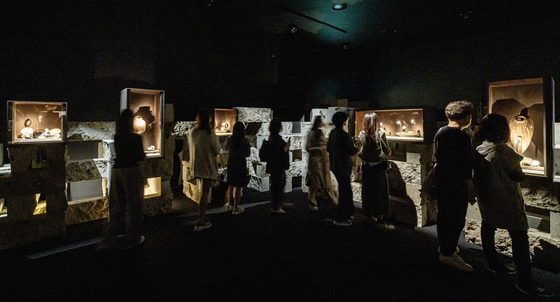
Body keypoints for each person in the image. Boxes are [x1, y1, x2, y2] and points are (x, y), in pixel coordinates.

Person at [472, 114, 553, 298]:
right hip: (506, 198)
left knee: (488, 226)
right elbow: (518, 175)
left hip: (486, 197)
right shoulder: (504, 151)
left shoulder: (478, 147)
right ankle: (525, 281)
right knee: (519, 236)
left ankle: (492, 263)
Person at [434, 100, 474, 272]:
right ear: (466, 117)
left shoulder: (440, 132)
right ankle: (448, 253)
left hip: (442, 180)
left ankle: (445, 246)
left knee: (444, 214)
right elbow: (466, 166)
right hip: (456, 183)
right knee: (456, 217)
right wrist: (470, 187)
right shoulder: (462, 136)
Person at [98, 109, 146, 250]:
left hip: (117, 171)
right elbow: (140, 156)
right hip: (132, 171)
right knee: (135, 206)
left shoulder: (117, 136)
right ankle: (132, 239)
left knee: (117, 207)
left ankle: (109, 238)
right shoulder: (136, 138)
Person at [358, 112, 394, 230]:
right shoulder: (381, 133)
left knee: (367, 191)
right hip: (378, 168)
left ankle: (368, 216)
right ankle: (380, 221)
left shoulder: (361, 134)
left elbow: (360, 151)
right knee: (380, 193)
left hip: (366, 167)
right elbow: (387, 150)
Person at [189, 108, 222, 231]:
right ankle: (201, 220)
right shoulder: (210, 133)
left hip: (197, 166)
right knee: (204, 193)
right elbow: (217, 150)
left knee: (202, 192)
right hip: (207, 167)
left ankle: (199, 217)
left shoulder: (193, 132)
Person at [327, 112, 359, 226]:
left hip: (335, 166)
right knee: (345, 192)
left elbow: (328, 148)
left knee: (344, 191)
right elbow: (352, 151)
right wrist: (359, 147)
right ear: (344, 122)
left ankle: (347, 214)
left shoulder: (332, 133)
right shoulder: (344, 135)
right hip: (343, 167)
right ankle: (341, 218)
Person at [306, 116, 337, 211]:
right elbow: (308, 147)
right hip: (315, 161)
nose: (322, 123)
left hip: (323, 160)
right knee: (315, 181)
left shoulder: (321, 132)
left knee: (324, 180)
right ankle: (312, 201)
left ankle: (326, 198)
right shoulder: (311, 133)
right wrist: (319, 148)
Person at [225, 122, 251, 215]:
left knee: (231, 184)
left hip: (231, 163)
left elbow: (226, 149)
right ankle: (236, 207)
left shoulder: (229, 140)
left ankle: (229, 204)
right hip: (240, 163)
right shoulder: (245, 141)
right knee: (239, 186)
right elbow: (248, 154)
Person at [266, 118, 290, 214]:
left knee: (279, 183)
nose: (282, 127)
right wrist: (287, 146)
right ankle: (276, 206)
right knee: (277, 185)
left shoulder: (272, 137)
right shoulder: (276, 139)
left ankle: (279, 203)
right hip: (278, 165)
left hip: (274, 165)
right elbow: (279, 153)